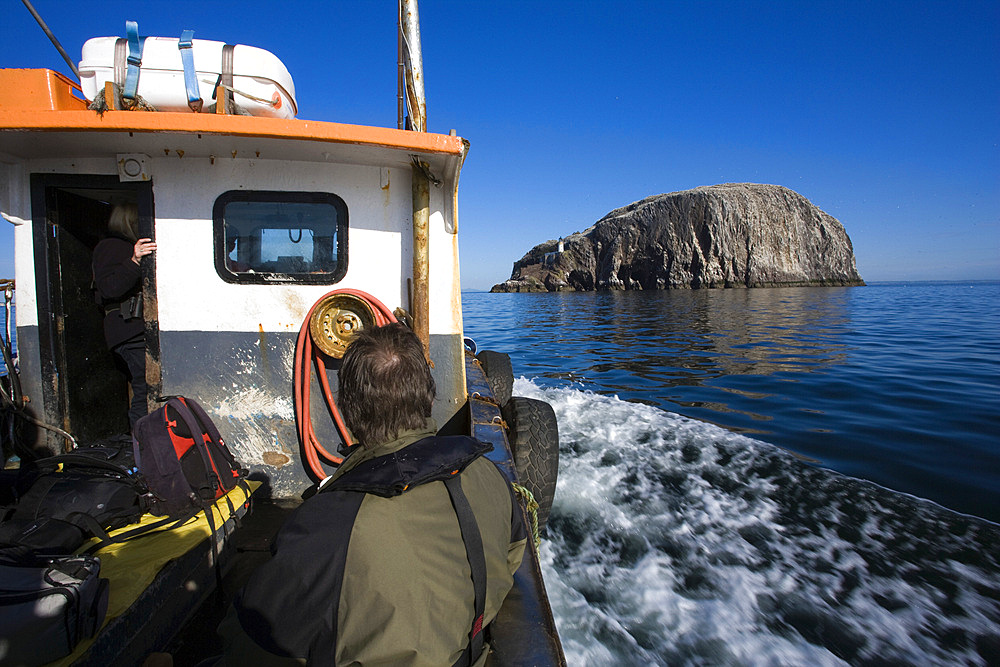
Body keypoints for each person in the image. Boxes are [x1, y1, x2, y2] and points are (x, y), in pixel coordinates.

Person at [219, 323, 527, 666]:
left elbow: (249, 644)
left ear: (348, 410)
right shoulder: (489, 474)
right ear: (428, 395)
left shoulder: (327, 528)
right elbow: (513, 554)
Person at [92, 203, 156, 431]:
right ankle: (142, 445)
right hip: (129, 329)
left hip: (133, 330)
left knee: (145, 386)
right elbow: (109, 287)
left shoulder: (122, 246)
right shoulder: (111, 246)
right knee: (145, 388)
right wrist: (135, 262)